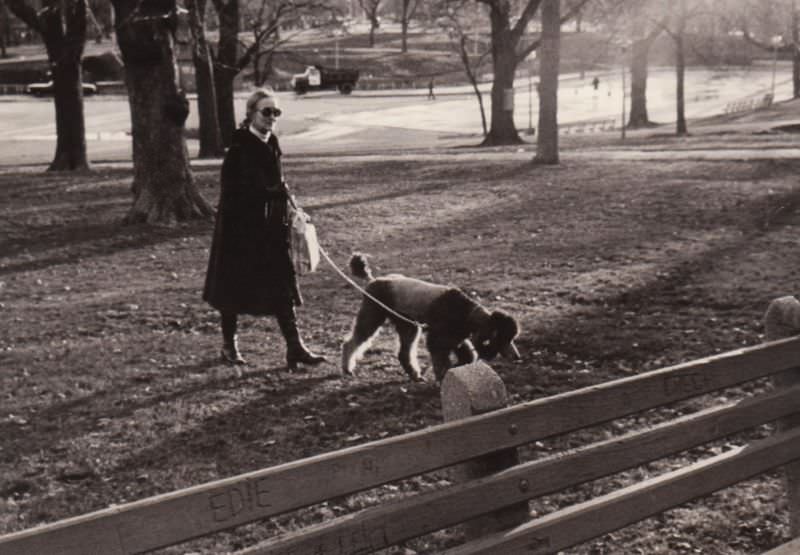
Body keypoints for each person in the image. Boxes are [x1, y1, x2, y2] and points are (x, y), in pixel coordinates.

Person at [203, 87, 327, 371]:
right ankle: (229, 345)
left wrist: (289, 205)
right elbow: (238, 192)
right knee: (232, 289)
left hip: (270, 229)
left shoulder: (272, 143)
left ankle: (295, 348)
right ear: (251, 115)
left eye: (276, 112)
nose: (272, 117)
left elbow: (277, 184)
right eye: (266, 111)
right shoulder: (239, 148)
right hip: (240, 231)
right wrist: (275, 192)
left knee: (282, 286)